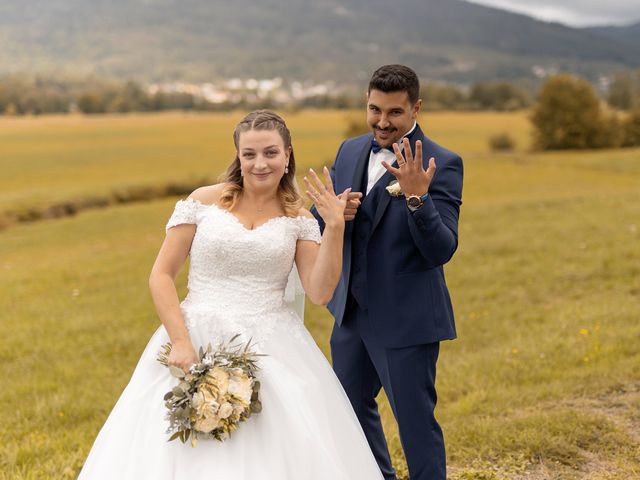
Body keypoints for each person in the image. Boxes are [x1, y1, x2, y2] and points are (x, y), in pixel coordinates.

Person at [77, 110, 384, 479]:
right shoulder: (202, 202)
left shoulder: (298, 218)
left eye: (270, 153)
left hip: (272, 343)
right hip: (195, 333)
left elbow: (319, 292)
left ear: (287, 154)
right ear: (237, 156)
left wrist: (334, 226)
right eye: (249, 154)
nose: (260, 163)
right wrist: (180, 341)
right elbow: (161, 275)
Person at [312, 65, 463, 480]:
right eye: (374, 109)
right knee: (350, 414)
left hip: (405, 319)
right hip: (351, 316)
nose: (382, 122)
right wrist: (332, 214)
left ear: (416, 108)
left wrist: (418, 199)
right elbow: (323, 218)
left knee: (416, 427)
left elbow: (441, 249)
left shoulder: (443, 162)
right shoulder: (349, 150)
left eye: (394, 112)